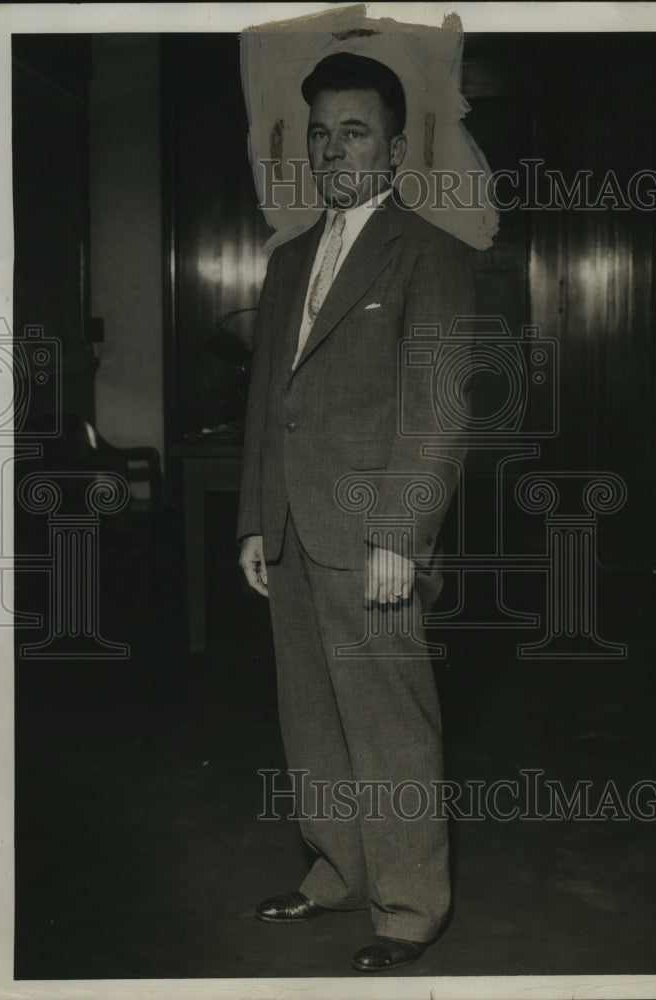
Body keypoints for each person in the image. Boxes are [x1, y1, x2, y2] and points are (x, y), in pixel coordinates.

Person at [237, 51, 475, 972]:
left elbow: (438, 408)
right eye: (320, 132)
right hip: (293, 530)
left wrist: (399, 536)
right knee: (312, 717)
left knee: (389, 723)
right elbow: (269, 397)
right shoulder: (289, 258)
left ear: (395, 146)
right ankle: (337, 869)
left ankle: (412, 904)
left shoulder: (432, 256)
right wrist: (255, 519)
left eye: (356, 131)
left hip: (372, 534)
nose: (335, 149)